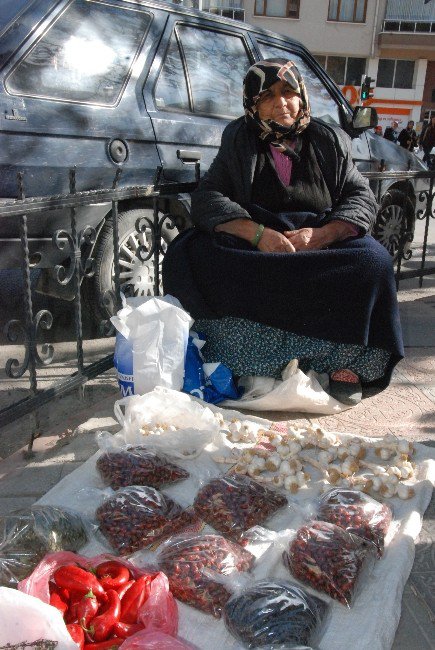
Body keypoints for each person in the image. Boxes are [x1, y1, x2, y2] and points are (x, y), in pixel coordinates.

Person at [162, 59, 404, 406]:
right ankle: (243, 359)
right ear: (252, 103)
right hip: (262, 245)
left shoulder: (328, 138)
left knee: (373, 262)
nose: (282, 103)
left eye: (289, 92)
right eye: (268, 96)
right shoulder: (238, 138)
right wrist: (258, 235)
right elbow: (207, 196)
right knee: (188, 255)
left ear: (302, 96)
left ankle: (344, 365)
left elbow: (360, 195)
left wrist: (324, 235)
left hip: (316, 242)